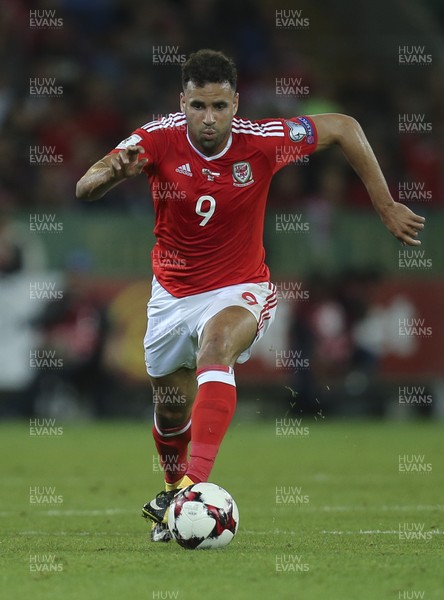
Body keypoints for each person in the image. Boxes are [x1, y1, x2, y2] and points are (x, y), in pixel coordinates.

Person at [76, 49, 425, 542]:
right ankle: (175, 487)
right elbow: (84, 185)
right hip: (171, 296)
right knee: (171, 410)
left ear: (236, 103)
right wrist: (110, 175)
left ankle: (192, 486)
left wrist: (385, 204)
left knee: (217, 348)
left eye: (219, 106)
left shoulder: (264, 142)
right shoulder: (155, 138)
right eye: (198, 105)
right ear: (182, 101)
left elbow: (345, 126)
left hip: (240, 287)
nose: (209, 118)